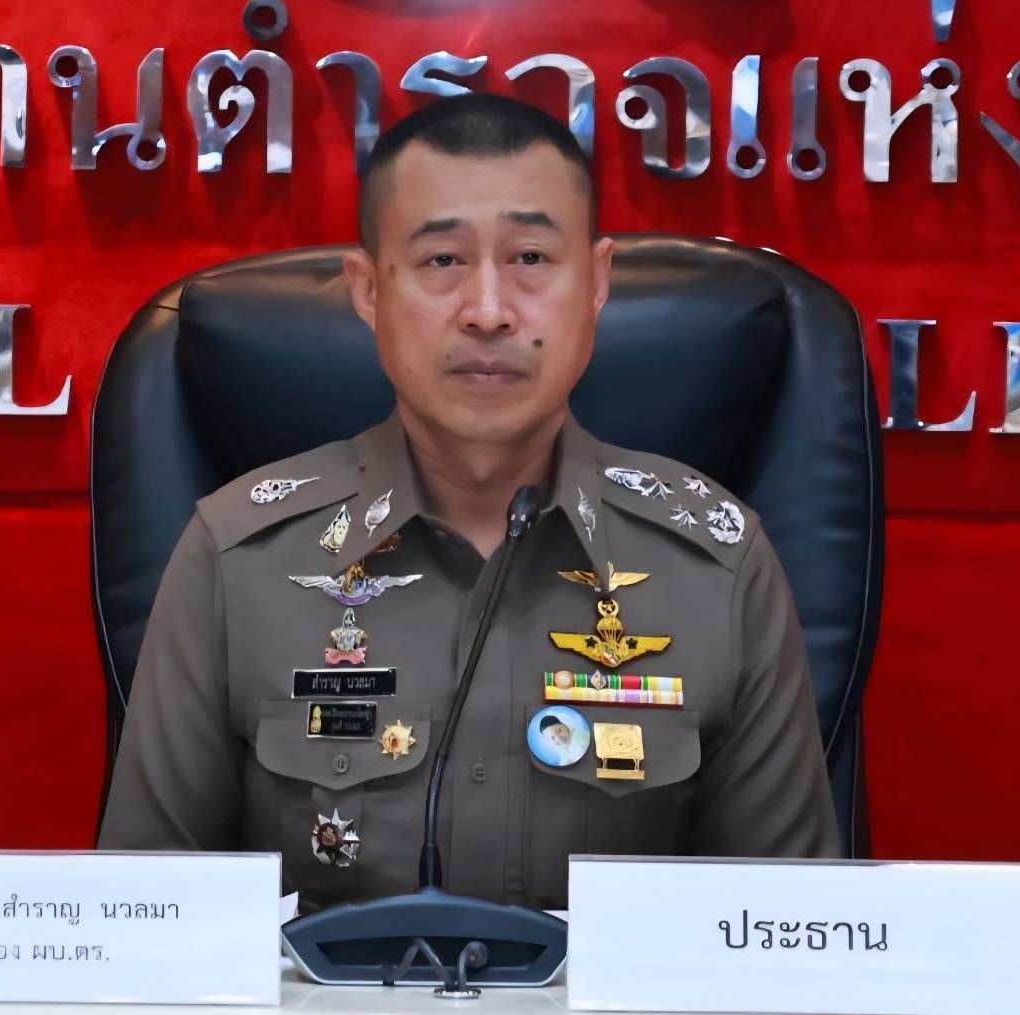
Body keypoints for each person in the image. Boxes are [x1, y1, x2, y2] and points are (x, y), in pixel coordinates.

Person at [97, 93, 838, 911]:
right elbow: (142, 920)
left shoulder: (715, 566)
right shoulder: (239, 557)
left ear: (596, 283)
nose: (488, 311)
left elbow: (788, 934)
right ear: (368, 291)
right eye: (442, 260)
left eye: (530, 257)